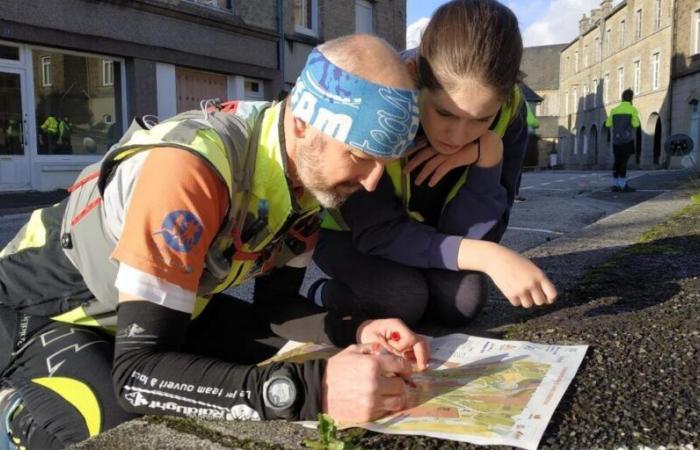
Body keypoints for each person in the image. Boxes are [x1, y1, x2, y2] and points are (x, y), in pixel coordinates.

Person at [0, 35, 428, 449]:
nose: (372, 182)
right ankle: (10, 409)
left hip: (157, 312)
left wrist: (356, 329)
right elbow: (137, 374)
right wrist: (310, 391)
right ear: (302, 120)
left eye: (384, 164)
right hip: (44, 315)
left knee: (296, 355)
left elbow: (276, 309)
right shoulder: (188, 171)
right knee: (123, 432)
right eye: (359, 156)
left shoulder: (309, 178)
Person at [311, 0, 557, 327]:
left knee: (463, 303)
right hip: (354, 236)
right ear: (415, 76)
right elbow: (377, 233)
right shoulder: (381, 100)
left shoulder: (510, 114)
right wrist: (489, 258)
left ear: (507, 94)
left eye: (481, 119)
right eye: (444, 113)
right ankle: (321, 294)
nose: (457, 135)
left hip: (429, 235)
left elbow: (481, 232)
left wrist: (487, 156)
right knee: (401, 298)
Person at [605, 88, 640, 192]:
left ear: (622, 98)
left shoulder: (614, 110)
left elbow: (608, 124)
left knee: (617, 162)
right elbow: (636, 124)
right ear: (631, 99)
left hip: (616, 141)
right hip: (627, 140)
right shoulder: (632, 109)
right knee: (624, 162)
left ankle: (615, 185)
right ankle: (623, 185)